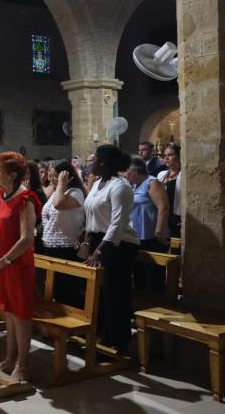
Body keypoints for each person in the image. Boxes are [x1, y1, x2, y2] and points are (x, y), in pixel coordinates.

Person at [0, 151, 41, 381]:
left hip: (16, 266)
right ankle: (9, 358)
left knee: (20, 315)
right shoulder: (0, 194)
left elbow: (27, 239)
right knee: (7, 313)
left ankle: (23, 365)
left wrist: (4, 260)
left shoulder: (25, 199)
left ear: (13, 174)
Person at [83, 144, 140, 354]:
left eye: (94, 159)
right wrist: (88, 239)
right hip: (99, 240)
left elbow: (117, 223)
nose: (90, 163)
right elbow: (90, 213)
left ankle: (117, 339)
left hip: (118, 244)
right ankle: (100, 335)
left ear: (104, 162)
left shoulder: (120, 186)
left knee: (114, 292)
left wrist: (100, 250)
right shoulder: (99, 183)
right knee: (99, 292)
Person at [41, 160, 86, 307]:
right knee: (56, 290)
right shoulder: (57, 191)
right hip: (51, 246)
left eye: (56, 176)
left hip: (66, 247)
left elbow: (59, 205)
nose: (52, 179)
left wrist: (61, 184)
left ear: (67, 176)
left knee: (68, 290)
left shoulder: (76, 192)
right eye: (51, 176)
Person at [125, 156, 171, 292]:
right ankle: (142, 303)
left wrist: (159, 231)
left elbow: (163, 207)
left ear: (134, 171)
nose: (124, 175)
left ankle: (157, 304)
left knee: (154, 275)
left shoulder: (152, 182)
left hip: (153, 237)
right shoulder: (133, 186)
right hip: (138, 236)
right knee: (140, 274)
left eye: (126, 171)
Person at [157, 144, 182, 237]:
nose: (166, 158)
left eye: (170, 155)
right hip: (163, 215)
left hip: (176, 217)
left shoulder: (184, 175)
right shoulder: (161, 175)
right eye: (165, 155)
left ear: (179, 157)